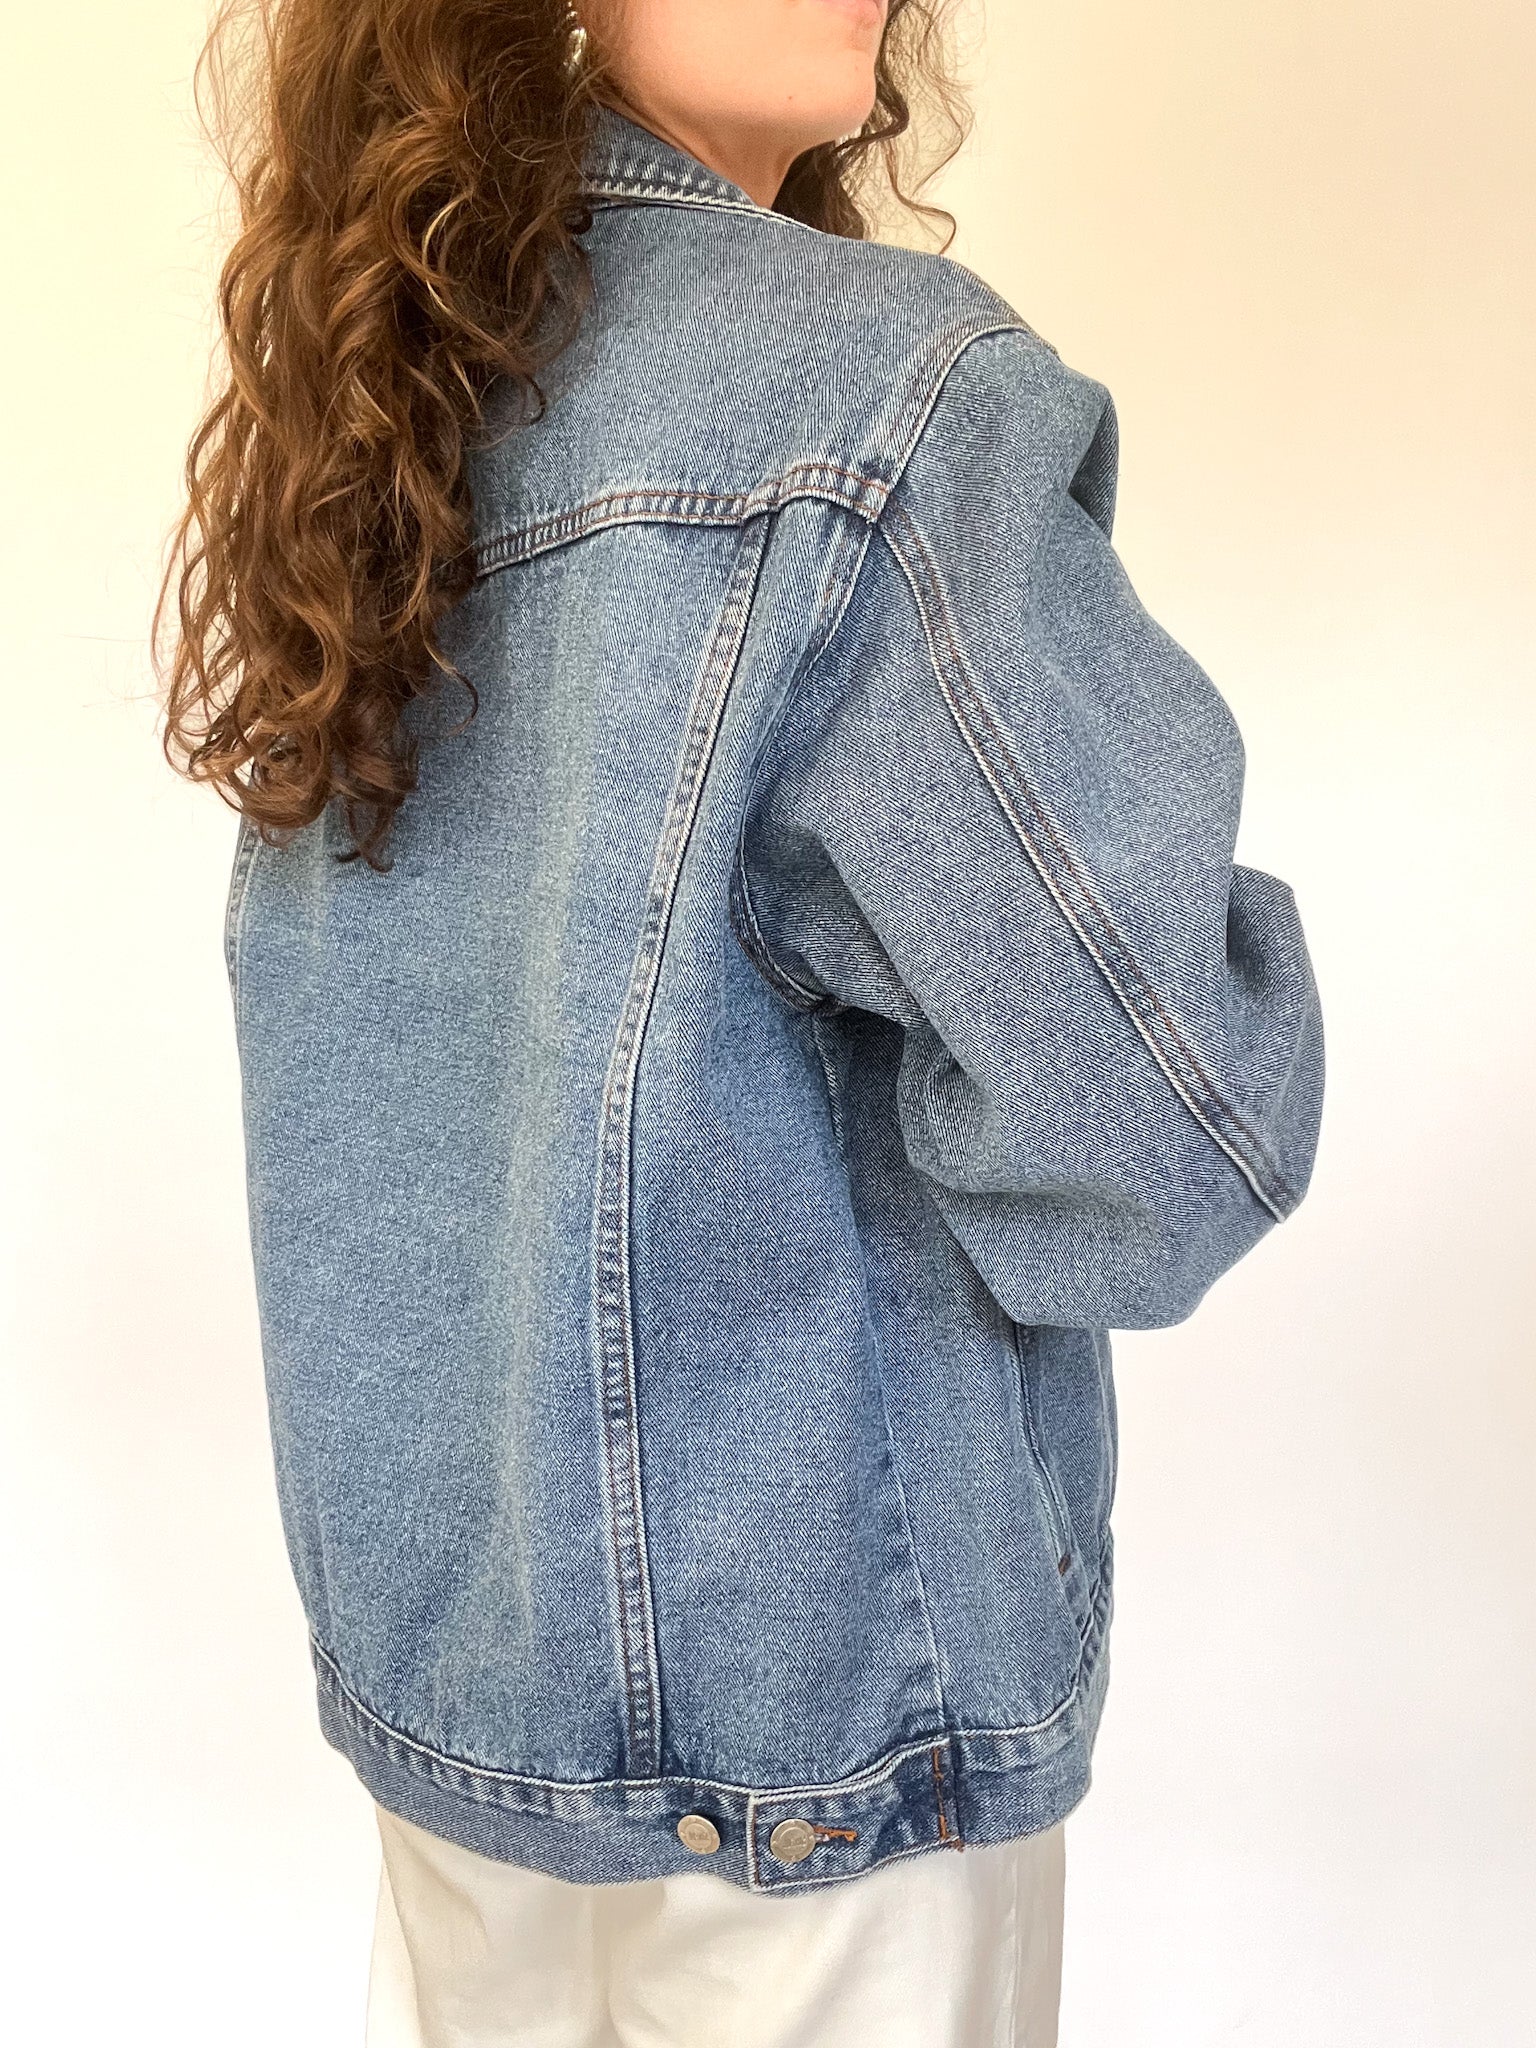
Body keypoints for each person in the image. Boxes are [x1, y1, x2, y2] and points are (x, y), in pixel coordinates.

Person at [157, 1, 1325, 2042]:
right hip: (820, 1770)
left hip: (467, 1753)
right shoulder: (880, 407)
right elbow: (1168, 1141)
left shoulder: (380, 417)